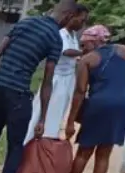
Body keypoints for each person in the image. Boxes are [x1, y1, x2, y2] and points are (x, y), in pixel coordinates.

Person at [0, 0, 90, 173]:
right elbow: (47, 80)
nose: (79, 24)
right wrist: (42, 118)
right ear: (68, 16)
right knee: (16, 146)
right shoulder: (54, 38)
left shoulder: (25, 23)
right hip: (19, 95)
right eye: (79, 20)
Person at [60, 29, 125, 173]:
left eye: (84, 44)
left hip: (98, 104)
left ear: (94, 42)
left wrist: (70, 122)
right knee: (104, 153)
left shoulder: (86, 60)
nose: (82, 48)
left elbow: (80, 92)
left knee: (83, 152)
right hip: (121, 105)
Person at [27, 13, 86, 143]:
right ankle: (31, 143)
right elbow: (65, 51)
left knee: (57, 113)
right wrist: (85, 52)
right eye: (81, 20)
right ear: (72, 17)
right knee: (45, 111)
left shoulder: (73, 36)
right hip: (56, 79)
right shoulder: (61, 33)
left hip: (68, 78)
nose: (82, 24)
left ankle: (47, 143)